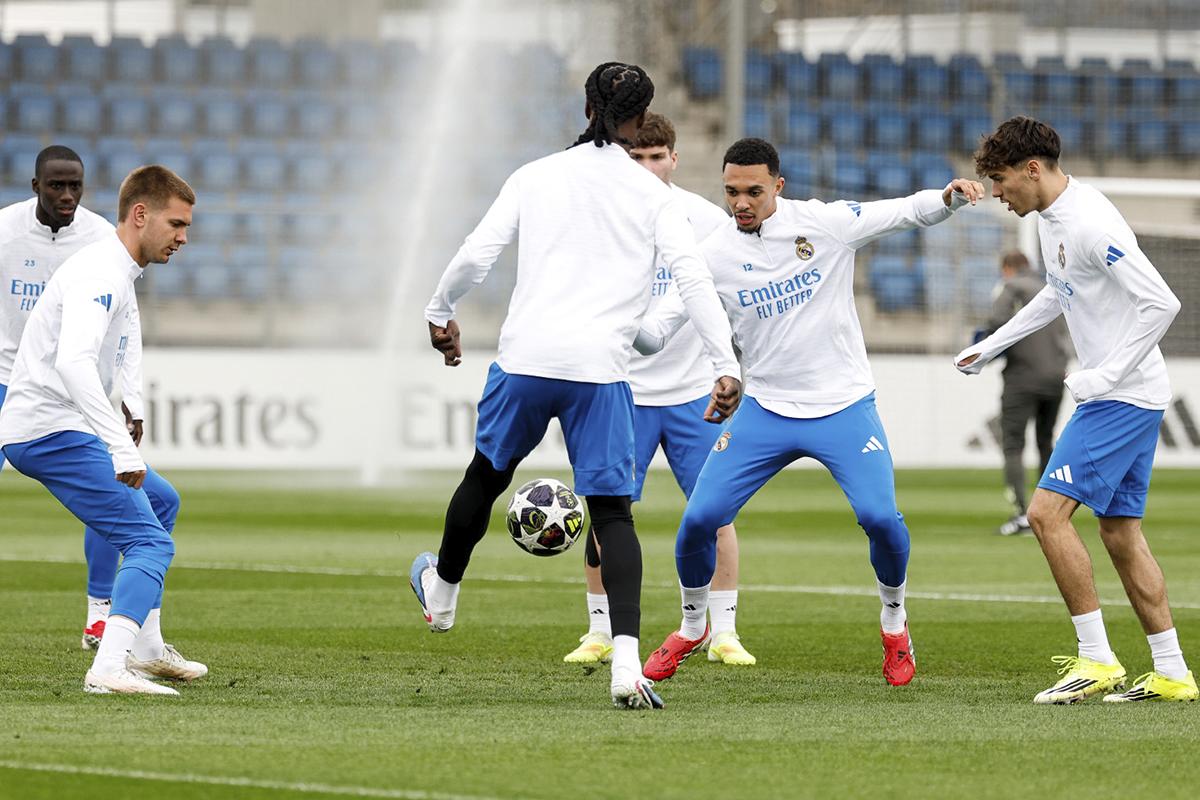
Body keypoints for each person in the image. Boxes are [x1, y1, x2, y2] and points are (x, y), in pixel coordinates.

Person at [409, 62, 741, 711]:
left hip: (527, 358)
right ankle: (625, 665)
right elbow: (695, 281)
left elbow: (479, 252)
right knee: (613, 514)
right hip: (601, 370)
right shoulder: (653, 197)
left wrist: (438, 310)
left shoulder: (536, 175)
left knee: (485, 475)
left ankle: (442, 597)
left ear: (586, 103)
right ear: (641, 119)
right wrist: (724, 362)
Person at [635, 138, 983, 687]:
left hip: (843, 406)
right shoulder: (711, 256)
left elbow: (901, 212)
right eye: (731, 192)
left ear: (778, 185)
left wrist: (948, 198)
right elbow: (658, 330)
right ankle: (693, 624)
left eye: (753, 191)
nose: (741, 203)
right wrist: (619, 324)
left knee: (880, 520)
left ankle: (894, 621)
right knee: (698, 520)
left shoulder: (824, 223)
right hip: (766, 409)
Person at [957, 116, 1195, 703]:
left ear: (1032, 170)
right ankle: (1171, 672)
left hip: (1119, 395)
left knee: (1045, 514)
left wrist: (1107, 373)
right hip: (1134, 394)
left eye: (1003, 180)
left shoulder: (1088, 223)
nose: (999, 193)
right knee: (1119, 532)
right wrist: (992, 344)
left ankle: (1096, 660)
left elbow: (1161, 302)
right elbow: (1056, 293)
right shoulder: (1051, 219)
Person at [0, 165, 206, 695]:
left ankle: (148, 650)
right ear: (141, 215)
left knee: (163, 503)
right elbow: (74, 362)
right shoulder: (99, 272)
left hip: (58, 425)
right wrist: (119, 445)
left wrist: (131, 402)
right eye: (177, 224)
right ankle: (109, 668)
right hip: (47, 430)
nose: (184, 237)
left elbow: (125, 337)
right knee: (149, 543)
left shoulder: (119, 269)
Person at [563, 112, 755, 669]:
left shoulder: (704, 221)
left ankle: (723, 631)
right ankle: (599, 631)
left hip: (694, 393)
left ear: (673, 158)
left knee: (715, 511)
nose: (646, 166)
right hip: (621, 392)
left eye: (656, 156)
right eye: (636, 157)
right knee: (606, 512)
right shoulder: (602, 221)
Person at [0, 145, 133, 649]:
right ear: (35, 186)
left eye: (75, 185)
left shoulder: (100, 237)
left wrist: (118, 391)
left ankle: (99, 615)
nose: (67, 195)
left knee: (112, 492)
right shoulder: (5, 231)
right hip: (4, 378)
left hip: (67, 392)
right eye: (56, 185)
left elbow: (123, 319)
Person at [978, 251, 1070, 536]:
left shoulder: (1012, 287)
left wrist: (979, 347)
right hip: (1057, 377)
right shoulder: (1053, 288)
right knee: (1045, 441)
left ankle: (1022, 516)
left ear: (1007, 269)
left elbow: (995, 323)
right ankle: (1051, 513)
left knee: (1013, 444)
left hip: (1022, 378)